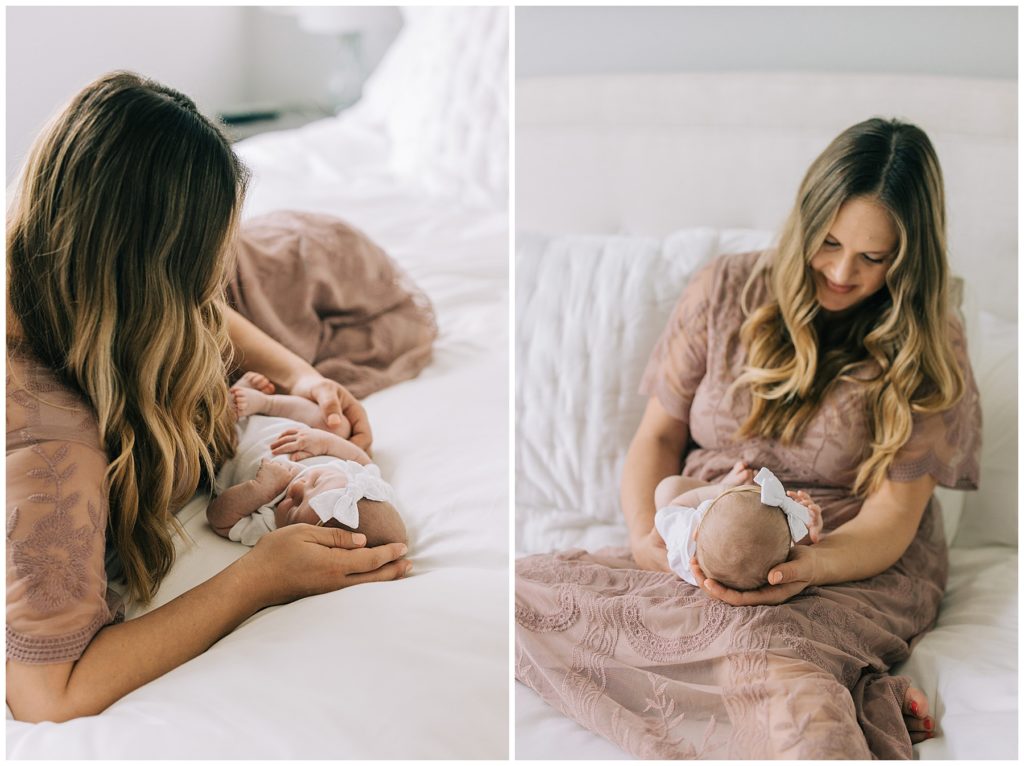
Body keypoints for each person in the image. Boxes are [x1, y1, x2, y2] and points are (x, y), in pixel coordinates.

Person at [515, 117, 981, 758]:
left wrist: (804, 565)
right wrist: (647, 538)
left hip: (846, 548)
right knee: (511, 598)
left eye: (875, 258)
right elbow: (657, 438)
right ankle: (858, 689)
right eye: (829, 242)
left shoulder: (929, 341)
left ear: (908, 257)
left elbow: (895, 514)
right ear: (804, 220)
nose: (844, 272)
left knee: (775, 667)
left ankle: (831, 684)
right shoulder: (725, 289)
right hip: (708, 523)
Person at [6, 72, 412, 724]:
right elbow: (45, 695)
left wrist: (302, 376)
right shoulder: (55, 450)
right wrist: (259, 580)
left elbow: (205, 309)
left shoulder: (44, 263)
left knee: (319, 261)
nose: (209, 290)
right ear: (158, 289)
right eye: (203, 269)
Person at [207, 372, 407, 547]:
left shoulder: (271, 525)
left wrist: (258, 489)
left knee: (211, 437)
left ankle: (231, 407)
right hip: (288, 429)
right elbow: (362, 460)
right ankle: (267, 402)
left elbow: (219, 520)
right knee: (337, 427)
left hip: (228, 445)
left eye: (295, 504)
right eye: (316, 481)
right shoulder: (361, 485)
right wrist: (325, 443)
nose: (298, 487)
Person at [655, 464, 823, 590]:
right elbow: (788, 547)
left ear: (696, 531)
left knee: (668, 488)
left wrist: (722, 490)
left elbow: (673, 506)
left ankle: (725, 486)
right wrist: (810, 526)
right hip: (747, 536)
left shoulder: (683, 542)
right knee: (772, 534)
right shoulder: (761, 565)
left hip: (692, 517)